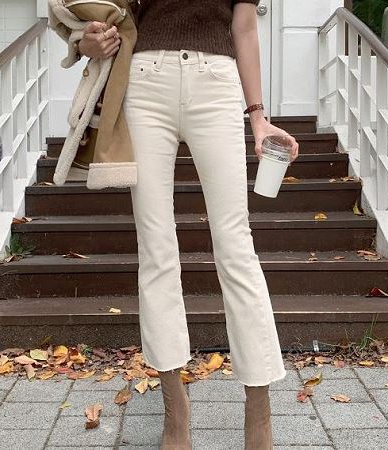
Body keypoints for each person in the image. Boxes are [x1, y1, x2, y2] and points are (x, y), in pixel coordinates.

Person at [77, 1, 299, 448]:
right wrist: (87, 41)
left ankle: (259, 411)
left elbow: (245, 26)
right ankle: (174, 410)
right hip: (144, 79)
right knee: (156, 248)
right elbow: (102, 12)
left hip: (217, 83)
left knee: (237, 246)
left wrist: (257, 115)